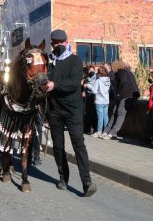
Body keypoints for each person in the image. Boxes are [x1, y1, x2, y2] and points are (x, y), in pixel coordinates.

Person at [45, 29, 97, 197]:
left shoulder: (75, 60)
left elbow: (74, 83)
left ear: (66, 43)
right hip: (55, 110)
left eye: (61, 43)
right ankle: (62, 177)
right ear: (52, 44)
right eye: (56, 43)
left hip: (73, 109)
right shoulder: (49, 62)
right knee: (58, 146)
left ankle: (86, 181)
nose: (59, 46)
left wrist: (55, 85)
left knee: (78, 145)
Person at [102, 60, 140, 140]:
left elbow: (123, 81)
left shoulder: (121, 71)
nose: (112, 68)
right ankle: (107, 131)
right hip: (130, 95)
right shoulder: (129, 72)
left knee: (120, 113)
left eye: (113, 66)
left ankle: (111, 133)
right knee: (115, 112)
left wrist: (118, 92)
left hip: (127, 95)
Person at [85, 66, 110, 138]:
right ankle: (106, 131)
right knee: (105, 116)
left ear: (99, 73)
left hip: (99, 100)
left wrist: (88, 85)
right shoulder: (108, 80)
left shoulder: (98, 80)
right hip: (106, 100)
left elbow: (94, 90)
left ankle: (99, 132)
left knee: (100, 117)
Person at [83, 65, 97, 134]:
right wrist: (84, 91)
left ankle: (94, 129)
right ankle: (87, 129)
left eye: (92, 70)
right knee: (87, 113)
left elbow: (95, 87)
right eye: (90, 70)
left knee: (93, 113)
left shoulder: (96, 77)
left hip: (93, 95)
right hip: (88, 95)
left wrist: (87, 85)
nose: (91, 72)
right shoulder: (87, 77)